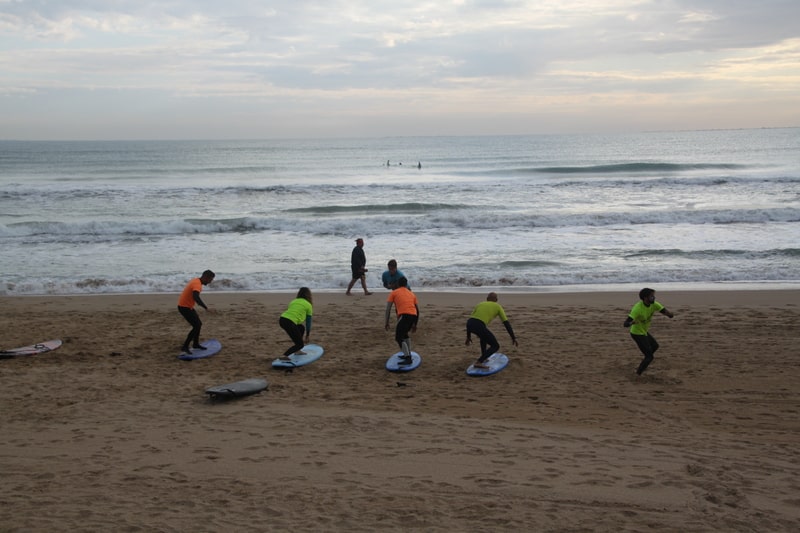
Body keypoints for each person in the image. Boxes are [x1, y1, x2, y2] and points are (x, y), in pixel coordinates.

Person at [623, 287, 675, 375]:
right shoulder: (637, 308)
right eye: (651, 296)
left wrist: (669, 315)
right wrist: (631, 323)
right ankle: (638, 374)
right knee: (649, 356)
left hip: (644, 331)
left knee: (655, 346)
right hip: (636, 333)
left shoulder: (654, 304)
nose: (654, 298)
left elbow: (663, 310)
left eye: (653, 296)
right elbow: (625, 324)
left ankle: (645, 361)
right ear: (645, 298)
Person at [465, 292, 518, 369]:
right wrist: (513, 337)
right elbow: (506, 323)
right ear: (496, 300)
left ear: (487, 299)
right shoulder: (498, 306)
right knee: (495, 346)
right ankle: (479, 362)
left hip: (469, 323)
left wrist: (468, 336)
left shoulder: (480, 304)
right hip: (479, 325)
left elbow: (471, 319)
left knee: (483, 338)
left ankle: (484, 357)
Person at [177, 270, 215, 354]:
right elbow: (196, 297)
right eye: (210, 280)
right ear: (206, 277)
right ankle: (185, 346)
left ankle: (195, 344)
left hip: (186, 306)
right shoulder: (197, 284)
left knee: (198, 324)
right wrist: (206, 308)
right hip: (184, 307)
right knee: (196, 326)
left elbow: (194, 296)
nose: (210, 282)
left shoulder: (196, 280)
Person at [384, 277, 419, 365]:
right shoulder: (411, 294)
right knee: (405, 334)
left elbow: (388, 309)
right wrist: (415, 324)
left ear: (398, 284)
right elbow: (417, 310)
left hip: (405, 315)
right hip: (413, 315)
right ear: (406, 284)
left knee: (398, 337)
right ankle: (407, 353)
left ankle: (408, 358)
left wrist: (386, 322)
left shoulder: (394, 293)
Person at [278, 287, 313, 360]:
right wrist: (307, 335)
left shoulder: (293, 301)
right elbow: (308, 322)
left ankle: (297, 351)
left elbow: (292, 313)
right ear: (308, 295)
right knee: (300, 344)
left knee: (301, 327)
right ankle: (285, 355)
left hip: (282, 319)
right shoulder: (308, 305)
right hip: (290, 322)